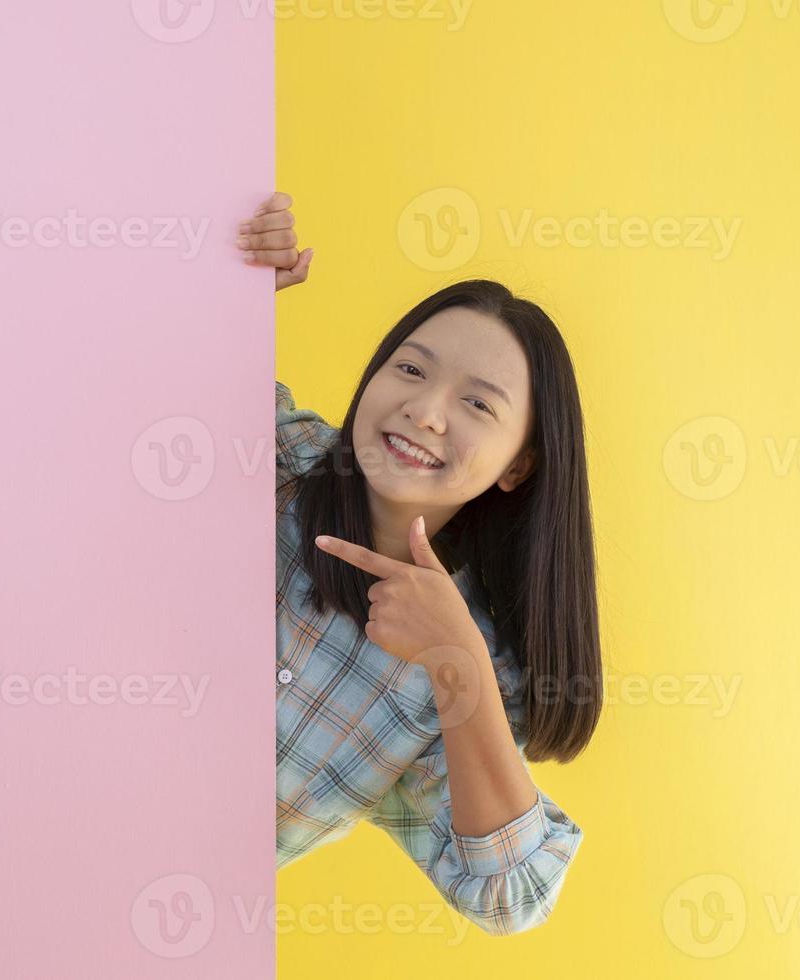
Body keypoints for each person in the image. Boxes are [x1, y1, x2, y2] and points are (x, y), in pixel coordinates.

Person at [249, 192, 601, 936]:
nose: (426, 410)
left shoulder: (455, 676)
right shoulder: (271, 451)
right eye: (411, 368)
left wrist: (457, 663)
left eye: (478, 405)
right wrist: (226, 277)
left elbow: (510, 897)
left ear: (518, 466)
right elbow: (110, 364)